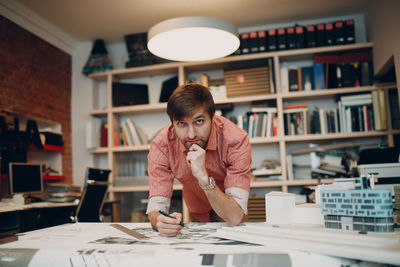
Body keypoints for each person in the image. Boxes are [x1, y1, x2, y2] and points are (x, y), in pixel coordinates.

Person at [146, 83, 252, 237]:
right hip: (197, 211)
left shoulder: (235, 140)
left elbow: (235, 217)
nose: (191, 135)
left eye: (199, 121)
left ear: (212, 116)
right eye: (181, 123)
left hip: (231, 208)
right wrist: (160, 221)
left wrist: (204, 178)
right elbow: (156, 207)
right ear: (173, 123)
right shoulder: (162, 145)